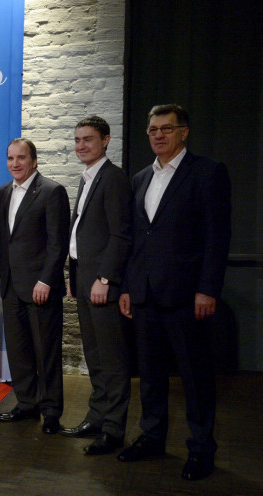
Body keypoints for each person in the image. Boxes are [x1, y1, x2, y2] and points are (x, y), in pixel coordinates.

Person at [117, 104, 231, 481]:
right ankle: (151, 436)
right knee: (149, 374)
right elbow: (136, 240)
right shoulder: (139, 179)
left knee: (195, 377)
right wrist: (129, 288)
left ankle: (201, 450)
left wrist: (207, 289)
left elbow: (217, 237)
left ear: (184, 132)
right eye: (152, 130)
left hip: (186, 296)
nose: (158, 135)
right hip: (146, 295)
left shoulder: (207, 173)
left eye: (166, 129)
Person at [58, 117, 132, 455]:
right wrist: (76, 278)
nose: (81, 145)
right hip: (84, 279)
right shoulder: (88, 178)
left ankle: (114, 429)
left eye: (88, 139)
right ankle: (97, 417)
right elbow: (82, 235)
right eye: (77, 140)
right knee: (95, 355)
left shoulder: (113, 178)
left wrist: (105, 279)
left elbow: (120, 234)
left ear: (105, 140)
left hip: (102, 282)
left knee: (112, 359)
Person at [0, 138, 70, 434]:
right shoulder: (3, 193)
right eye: (11, 158)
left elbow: (58, 243)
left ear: (34, 161)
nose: (15, 163)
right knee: (19, 349)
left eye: (21, 158)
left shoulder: (52, 191)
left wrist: (46, 280)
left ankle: (51, 410)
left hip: (40, 287)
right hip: (11, 285)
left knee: (46, 351)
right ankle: (27, 403)